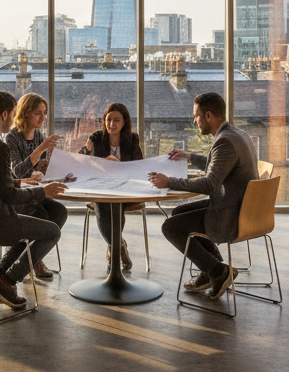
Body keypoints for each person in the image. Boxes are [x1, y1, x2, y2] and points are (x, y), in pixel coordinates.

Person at [0, 90, 68, 310]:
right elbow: (8, 195)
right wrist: (44, 192)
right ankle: (7, 281)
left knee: (57, 212)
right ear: (5, 115)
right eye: (15, 113)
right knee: (52, 231)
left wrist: (22, 182)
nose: (15, 118)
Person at [148, 91, 258, 300]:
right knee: (178, 211)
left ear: (208, 116)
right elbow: (219, 165)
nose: (194, 120)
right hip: (241, 207)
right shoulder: (236, 134)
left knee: (170, 228)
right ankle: (212, 270)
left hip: (232, 215)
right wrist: (189, 156)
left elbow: (210, 183)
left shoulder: (225, 141)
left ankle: (218, 272)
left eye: (196, 116)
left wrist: (169, 181)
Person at [2, 92, 68, 281]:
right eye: (38, 113)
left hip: (34, 192)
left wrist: (49, 162)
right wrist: (41, 149)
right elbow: (18, 172)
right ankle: (29, 264)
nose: (43, 117)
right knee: (40, 215)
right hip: (17, 196)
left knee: (60, 212)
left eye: (44, 113)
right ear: (26, 113)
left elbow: (38, 170)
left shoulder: (38, 135)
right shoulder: (12, 138)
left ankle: (34, 259)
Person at [77, 102, 143, 270]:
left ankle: (114, 247)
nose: (112, 124)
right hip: (101, 189)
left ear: (125, 122)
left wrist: (119, 166)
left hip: (125, 189)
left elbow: (139, 167)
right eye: (109, 119)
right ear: (104, 120)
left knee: (115, 203)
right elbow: (79, 162)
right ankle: (119, 245)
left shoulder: (132, 139)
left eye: (117, 120)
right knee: (103, 202)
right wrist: (88, 150)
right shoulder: (96, 138)